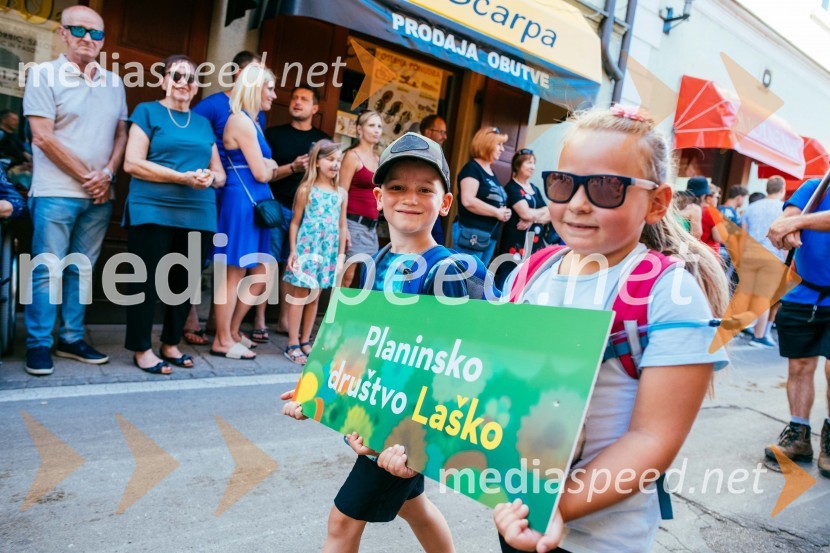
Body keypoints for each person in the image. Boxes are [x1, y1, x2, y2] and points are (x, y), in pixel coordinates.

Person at [494, 105, 729, 553]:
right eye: (562, 183)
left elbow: (652, 438)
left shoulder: (668, 292)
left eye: (606, 186)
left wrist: (554, 508)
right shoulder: (530, 272)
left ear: (657, 202)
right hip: (519, 513)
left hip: (601, 540)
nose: (577, 203)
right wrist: (404, 437)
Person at [280, 132, 459, 553]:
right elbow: (357, 345)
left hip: (404, 430)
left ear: (445, 202)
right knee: (413, 506)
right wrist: (316, 391)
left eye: (425, 189)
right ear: (378, 197)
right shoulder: (374, 263)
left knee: (342, 521)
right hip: (375, 420)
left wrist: (417, 440)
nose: (409, 198)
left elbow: (461, 367)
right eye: (396, 187)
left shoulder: (450, 270)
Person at [22, 5, 128, 376]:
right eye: (79, 30)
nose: (88, 38)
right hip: (55, 191)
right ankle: (38, 343)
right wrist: (91, 177)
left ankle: (70, 338)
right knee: (46, 270)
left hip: (99, 196)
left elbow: (121, 133)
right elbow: (42, 137)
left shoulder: (114, 82)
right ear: (63, 33)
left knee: (81, 270)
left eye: (96, 32)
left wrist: (108, 174)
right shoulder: (43, 74)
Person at [122, 55, 226, 375]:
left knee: (183, 283)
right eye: (177, 76)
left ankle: (170, 344)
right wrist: (181, 177)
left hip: (198, 212)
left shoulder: (202, 123)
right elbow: (132, 163)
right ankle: (142, 348)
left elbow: (220, 174)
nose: (184, 83)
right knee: (146, 282)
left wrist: (209, 177)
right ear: (164, 80)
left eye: (190, 78)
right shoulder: (147, 111)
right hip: (152, 208)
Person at [184, 50, 263, 346]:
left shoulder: (255, 113)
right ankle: (190, 317)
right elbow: (190, 135)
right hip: (207, 194)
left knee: (229, 265)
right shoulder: (213, 105)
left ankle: (221, 328)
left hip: (234, 198)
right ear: (239, 73)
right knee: (198, 259)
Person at [210, 63, 278, 360]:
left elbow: (264, 168)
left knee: (261, 270)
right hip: (242, 202)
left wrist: (267, 166)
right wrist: (270, 166)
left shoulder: (253, 121)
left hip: (254, 203)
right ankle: (222, 339)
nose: (274, 95)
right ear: (254, 88)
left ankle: (234, 331)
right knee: (234, 272)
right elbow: (262, 172)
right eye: (269, 88)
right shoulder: (240, 121)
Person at [763, 177, 830, 479]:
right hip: (804, 292)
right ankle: (798, 435)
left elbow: (795, 220)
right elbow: (785, 220)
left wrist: (798, 222)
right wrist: (788, 224)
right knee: (799, 366)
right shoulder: (815, 187)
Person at [256, 85, 331, 340]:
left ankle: (285, 321)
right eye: (295, 98)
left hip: (307, 216)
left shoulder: (322, 141)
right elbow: (264, 173)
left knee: (294, 267)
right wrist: (293, 167)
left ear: (315, 108)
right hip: (275, 207)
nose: (297, 102)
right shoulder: (274, 134)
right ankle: (259, 319)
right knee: (268, 264)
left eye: (304, 99)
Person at [281, 140, 345, 364]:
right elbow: (295, 222)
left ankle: (306, 340)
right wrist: (293, 251)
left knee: (314, 297)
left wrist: (340, 255)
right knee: (300, 295)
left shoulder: (340, 193)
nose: (335, 164)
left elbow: (342, 226)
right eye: (330, 159)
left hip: (327, 251)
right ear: (317, 162)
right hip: (307, 249)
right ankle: (292, 343)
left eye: (338, 160)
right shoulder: (306, 190)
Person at [453, 127, 511, 265]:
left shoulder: (490, 171)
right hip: (472, 234)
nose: (502, 149)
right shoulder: (472, 169)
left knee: (478, 276)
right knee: (467, 275)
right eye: (498, 144)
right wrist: (497, 212)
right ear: (487, 144)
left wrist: (503, 212)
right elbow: (468, 200)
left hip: (489, 235)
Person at [741, 176, 787, 347]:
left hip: (749, 255)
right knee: (764, 297)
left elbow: (743, 235)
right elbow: (785, 238)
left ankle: (741, 328)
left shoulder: (751, 207)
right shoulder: (784, 209)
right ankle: (759, 336)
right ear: (782, 189)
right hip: (772, 255)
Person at [495, 148, 550, 289]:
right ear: (518, 165)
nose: (533, 167)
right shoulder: (512, 187)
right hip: (515, 246)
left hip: (534, 246)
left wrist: (532, 219)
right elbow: (525, 213)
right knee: (507, 281)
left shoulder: (534, 189)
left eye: (534, 163)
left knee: (527, 283)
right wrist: (532, 215)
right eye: (529, 163)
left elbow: (550, 213)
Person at [339, 110, 383, 288]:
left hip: (372, 227)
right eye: (371, 125)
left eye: (379, 126)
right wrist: (343, 228)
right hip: (353, 224)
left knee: (368, 277)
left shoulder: (378, 159)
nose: (376, 130)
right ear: (359, 129)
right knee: (347, 276)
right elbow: (341, 192)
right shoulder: (352, 156)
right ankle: (335, 307)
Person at [420, 114, 449, 244]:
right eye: (441, 132)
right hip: (420, 211)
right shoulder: (416, 153)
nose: (445, 136)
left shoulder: (437, 155)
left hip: (434, 211)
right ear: (428, 132)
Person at [686, 177, 722, 251]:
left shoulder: (685, 208)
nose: (717, 200)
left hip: (685, 249)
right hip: (705, 253)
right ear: (707, 198)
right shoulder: (711, 211)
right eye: (717, 197)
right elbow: (719, 238)